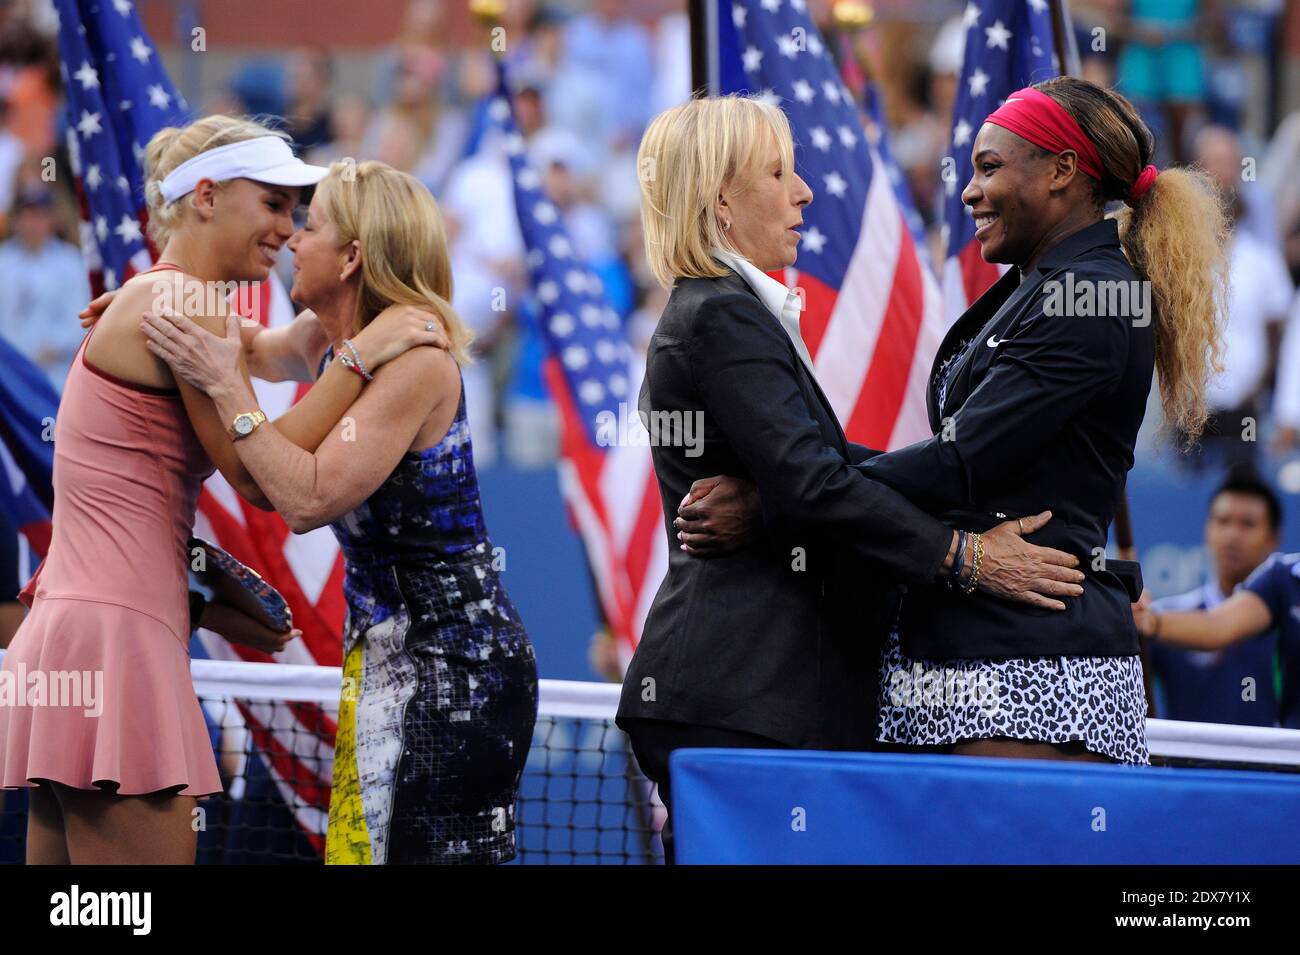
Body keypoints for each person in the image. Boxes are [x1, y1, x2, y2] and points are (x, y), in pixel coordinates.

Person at [685, 78, 1229, 766]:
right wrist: (799, 471)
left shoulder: (1094, 295)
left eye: (990, 167)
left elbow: (955, 463)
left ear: (1063, 170)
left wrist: (778, 503)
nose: (968, 191)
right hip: (964, 645)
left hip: (1030, 661)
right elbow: (949, 456)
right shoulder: (1039, 285)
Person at [616, 95, 1087, 863]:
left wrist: (783, 497)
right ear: (721, 205)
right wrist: (966, 555)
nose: (803, 192)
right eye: (779, 172)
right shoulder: (721, 315)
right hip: (744, 695)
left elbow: (816, 475)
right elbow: (815, 486)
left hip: (752, 699)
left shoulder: (725, 310)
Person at [0, 115, 439, 865]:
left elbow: (273, 351)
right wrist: (360, 360)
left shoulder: (167, 299)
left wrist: (350, 311)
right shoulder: (185, 305)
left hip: (63, 641)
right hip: (117, 643)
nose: (287, 227)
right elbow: (257, 478)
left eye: (296, 213)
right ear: (206, 196)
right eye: (271, 204)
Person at [137, 159, 538, 865]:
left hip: (451, 673)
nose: (292, 238)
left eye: (310, 225)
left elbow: (302, 496)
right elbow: (253, 363)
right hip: (391, 664)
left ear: (353, 256)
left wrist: (228, 393)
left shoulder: (414, 363)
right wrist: (137, 303)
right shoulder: (340, 346)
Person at [1148, 472, 1284, 726]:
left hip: (1275, 766)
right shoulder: (1164, 617)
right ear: (1207, 529)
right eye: (1222, 521)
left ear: (1273, 538)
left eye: (1248, 524)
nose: (1232, 536)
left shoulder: (1290, 618)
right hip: (1186, 765)